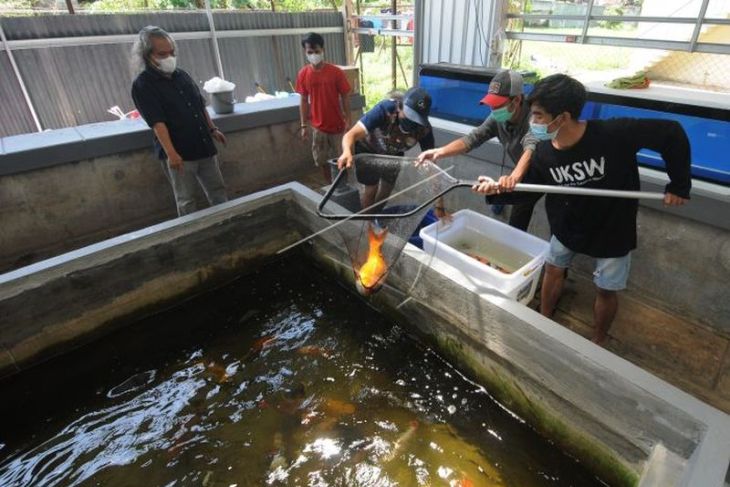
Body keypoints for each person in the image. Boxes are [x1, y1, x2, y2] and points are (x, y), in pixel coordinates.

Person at [475, 74, 691, 345]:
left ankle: (598, 340)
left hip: (613, 228)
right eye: (532, 115)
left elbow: (671, 133)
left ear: (563, 117)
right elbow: (533, 191)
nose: (533, 123)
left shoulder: (614, 134)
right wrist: (498, 191)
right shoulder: (543, 151)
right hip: (567, 224)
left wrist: (679, 186)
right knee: (553, 268)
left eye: (539, 116)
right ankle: (543, 320)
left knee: (605, 289)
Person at [417, 69, 539, 230]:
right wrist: (439, 151)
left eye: (498, 105)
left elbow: (531, 148)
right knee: (516, 206)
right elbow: (472, 138)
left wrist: (513, 178)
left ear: (516, 100)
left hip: (543, 168)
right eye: (491, 105)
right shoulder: (497, 117)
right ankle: (503, 203)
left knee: (528, 208)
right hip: (520, 168)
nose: (494, 111)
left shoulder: (534, 117)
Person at [131, 25, 228, 217]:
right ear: (148, 55)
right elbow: (157, 122)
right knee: (186, 199)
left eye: (171, 52)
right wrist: (172, 153)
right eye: (162, 54)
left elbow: (199, 106)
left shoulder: (181, 75)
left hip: (203, 145)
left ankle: (226, 221)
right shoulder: (143, 85)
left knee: (217, 189)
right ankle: (192, 236)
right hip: (179, 153)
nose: (169, 58)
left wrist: (212, 129)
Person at [337, 87, 435, 213]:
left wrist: (439, 204)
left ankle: (376, 215)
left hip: (394, 152)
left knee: (387, 188)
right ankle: (367, 220)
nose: (411, 122)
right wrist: (347, 152)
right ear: (399, 107)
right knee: (371, 188)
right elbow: (350, 135)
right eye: (409, 116)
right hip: (368, 149)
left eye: (416, 119)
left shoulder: (424, 129)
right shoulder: (385, 110)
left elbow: (432, 164)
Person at [296, 32, 352, 184]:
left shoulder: (335, 72)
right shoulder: (303, 74)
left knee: (342, 159)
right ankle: (330, 185)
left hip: (338, 126)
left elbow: (345, 96)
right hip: (318, 127)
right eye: (310, 52)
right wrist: (303, 125)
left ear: (323, 50)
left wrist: (348, 119)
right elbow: (303, 100)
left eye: (316, 51)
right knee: (321, 160)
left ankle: (343, 185)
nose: (313, 55)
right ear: (305, 52)